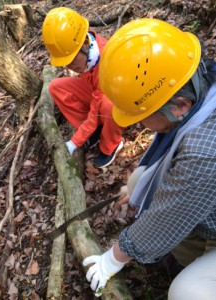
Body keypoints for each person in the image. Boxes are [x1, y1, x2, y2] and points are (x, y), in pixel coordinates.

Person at [82, 18, 216, 299]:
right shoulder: (199, 85)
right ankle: (190, 258)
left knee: (187, 292)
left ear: (180, 106)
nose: (138, 125)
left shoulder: (204, 152)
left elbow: (167, 218)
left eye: (143, 117)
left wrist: (113, 258)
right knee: (138, 182)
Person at [42, 7, 124, 168]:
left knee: (108, 104)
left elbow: (98, 103)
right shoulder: (86, 53)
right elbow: (94, 96)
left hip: (117, 100)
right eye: (67, 63)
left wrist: (74, 142)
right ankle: (93, 132)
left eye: (72, 61)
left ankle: (111, 144)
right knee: (56, 87)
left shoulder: (105, 60)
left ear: (85, 45)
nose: (71, 67)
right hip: (96, 93)